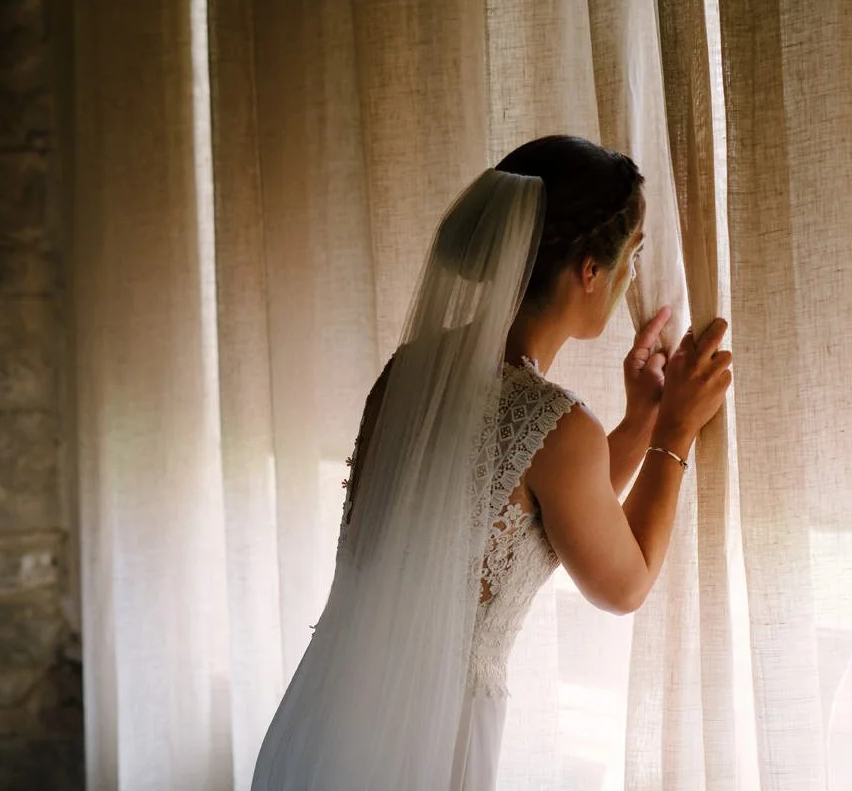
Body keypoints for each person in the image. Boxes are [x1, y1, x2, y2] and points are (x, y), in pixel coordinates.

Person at [251, 135, 731, 790]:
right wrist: (675, 432)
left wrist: (639, 420)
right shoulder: (554, 422)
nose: (629, 281)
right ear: (589, 271)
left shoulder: (413, 370)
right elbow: (624, 584)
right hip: (432, 736)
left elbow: (535, 510)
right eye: (632, 256)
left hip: (332, 713)